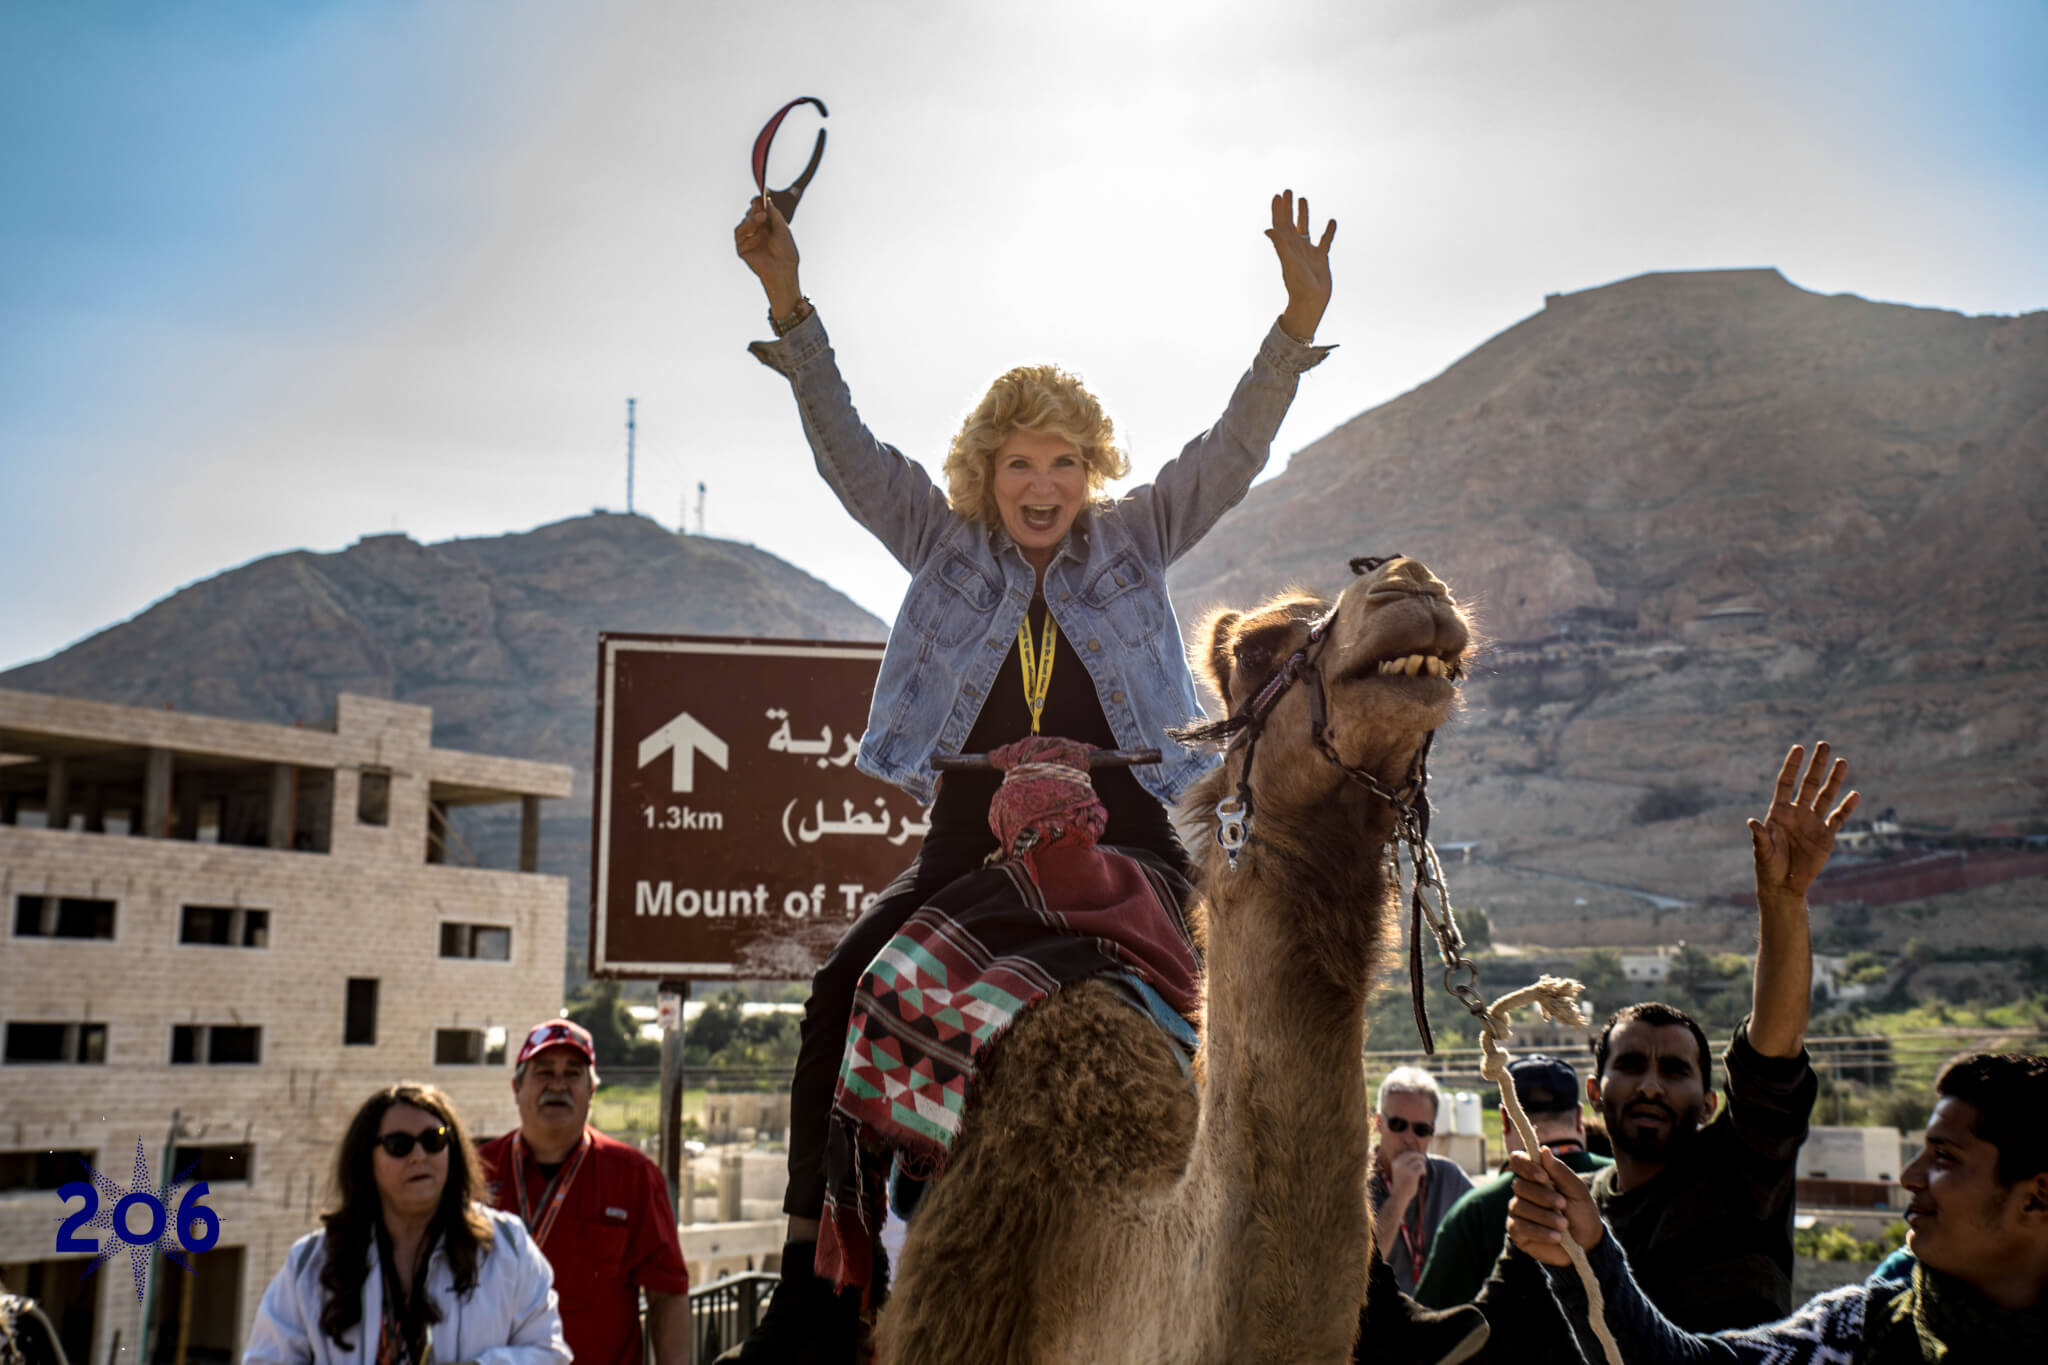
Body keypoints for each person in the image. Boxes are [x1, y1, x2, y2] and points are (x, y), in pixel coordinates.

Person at [727, 187, 1337, 1361]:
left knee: (1275, 1000)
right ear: (985, 470)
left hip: (1133, 834)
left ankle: (1344, 1278)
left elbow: (1231, 452)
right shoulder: (937, 539)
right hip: (971, 844)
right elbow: (847, 455)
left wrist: (1293, 326)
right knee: (839, 993)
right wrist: (787, 304)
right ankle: (810, 1285)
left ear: (1090, 470)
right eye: (1018, 463)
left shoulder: (1139, 535)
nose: (1041, 483)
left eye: (1064, 461)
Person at [1558, 740, 1852, 1332]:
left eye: (1675, 1071)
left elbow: (1772, 1052)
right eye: (1632, 1065)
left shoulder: (1739, 1172)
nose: (1650, 1086)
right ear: (1594, 1090)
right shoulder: (1570, 1208)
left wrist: (1783, 899)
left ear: (1710, 1103)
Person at [1503, 1052, 2048, 1363]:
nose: (1909, 1178)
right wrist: (1586, 1255)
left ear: (2038, 1196)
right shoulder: (1855, 1333)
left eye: (1945, 1158)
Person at [244, 1083, 568, 1365]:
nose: (419, 1156)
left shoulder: (507, 1247)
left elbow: (550, 1354)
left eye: (434, 1140)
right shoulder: (312, 1262)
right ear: (366, 1162)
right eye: (398, 1145)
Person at [476, 1019, 692, 1365]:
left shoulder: (634, 1176)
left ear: (591, 1092)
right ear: (516, 1087)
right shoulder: (476, 1172)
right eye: (544, 1072)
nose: (558, 1085)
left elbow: (667, 1296)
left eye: (573, 1073)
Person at [1412, 1054, 1612, 1309]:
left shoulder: (1474, 1212)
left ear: (1505, 1120)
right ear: (1578, 1118)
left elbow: (1429, 1323)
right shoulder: (1624, 1183)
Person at [1371, 1066, 1475, 1296]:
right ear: (1379, 1123)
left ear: (1432, 1131)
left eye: (1421, 1129)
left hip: (1438, 1319)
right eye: (1398, 1125)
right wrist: (1399, 1197)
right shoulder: (1354, 1181)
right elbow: (1360, 1271)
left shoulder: (1450, 1179)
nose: (1409, 1138)